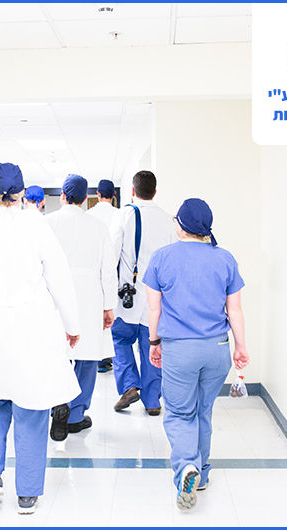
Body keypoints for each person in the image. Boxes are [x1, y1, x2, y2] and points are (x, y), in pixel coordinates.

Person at [0, 163, 82, 515]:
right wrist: (72, 325)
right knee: (31, 409)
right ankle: (27, 494)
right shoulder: (37, 227)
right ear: (22, 193)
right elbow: (60, 279)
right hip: (31, 332)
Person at [143, 198, 249, 511]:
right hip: (217, 349)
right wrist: (241, 347)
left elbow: (154, 309)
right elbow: (235, 310)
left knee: (179, 413)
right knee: (203, 411)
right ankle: (200, 473)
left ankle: (186, 467)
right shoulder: (225, 258)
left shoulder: (162, 258)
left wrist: (153, 342)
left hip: (180, 350)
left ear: (181, 225)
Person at [46, 174, 117, 437]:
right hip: (90, 297)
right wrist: (108, 306)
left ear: (63, 197)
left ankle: (57, 404)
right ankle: (75, 415)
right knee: (87, 357)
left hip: (55, 296)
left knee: (57, 353)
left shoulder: (48, 223)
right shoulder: (98, 227)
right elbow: (108, 271)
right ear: (86, 198)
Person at [110, 170, 176, 415]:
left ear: (132, 191)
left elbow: (112, 255)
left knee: (119, 339)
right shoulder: (169, 220)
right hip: (157, 299)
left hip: (128, 296)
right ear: (155, 192)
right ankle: (152, 401)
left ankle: (129, 385)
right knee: (153, 346)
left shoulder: (124, 215)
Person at [88, 178, 118, 373]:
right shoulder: (120, 215)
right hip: (113, 271)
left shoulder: (89, 216)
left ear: (98, 194)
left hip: (92, 272)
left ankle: (98, 359)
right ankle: (109, 357)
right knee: (112, 314)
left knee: (94, 316)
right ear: (114, 195)